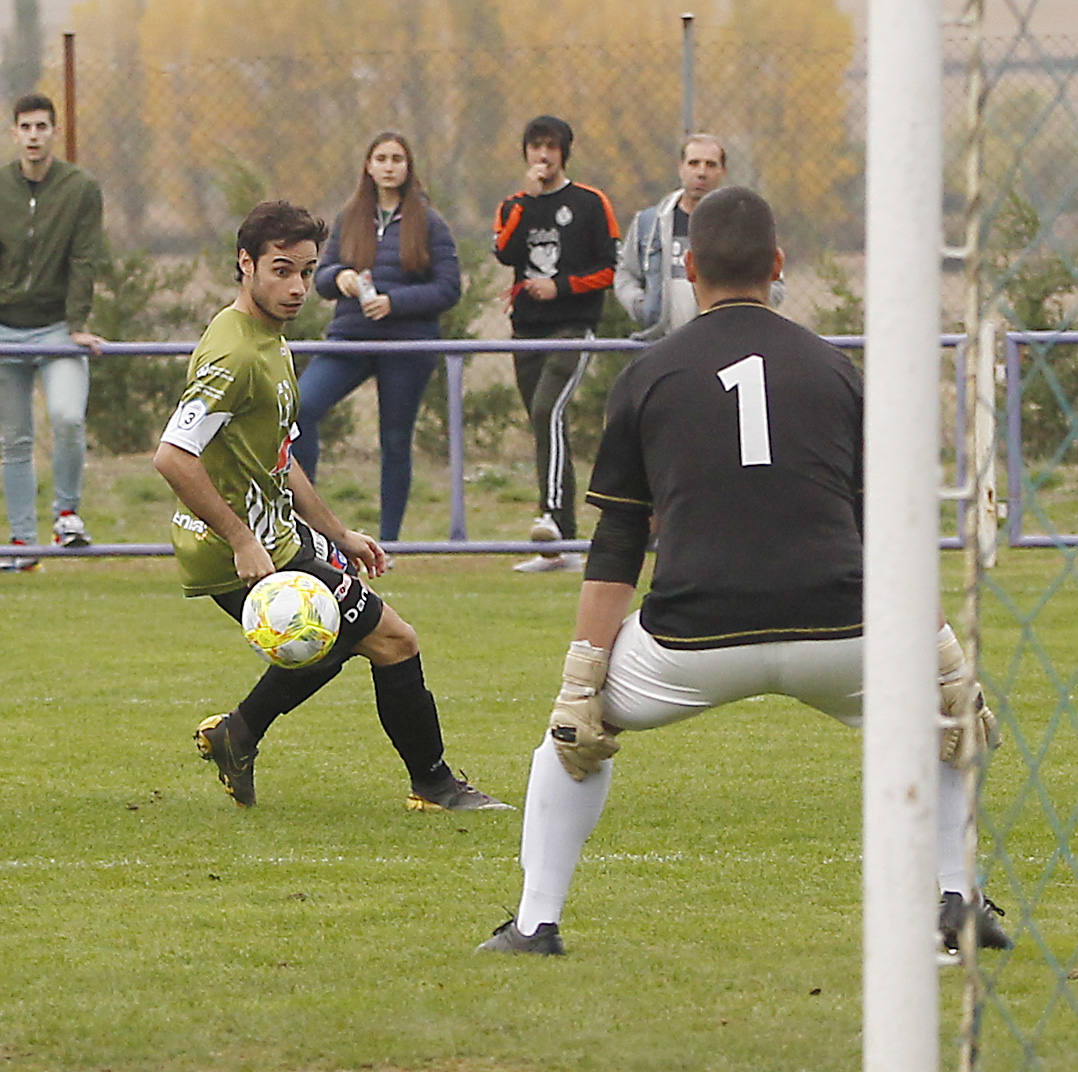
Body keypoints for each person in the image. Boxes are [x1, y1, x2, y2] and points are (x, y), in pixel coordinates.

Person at [478, 187, 1010, 955]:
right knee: (945, 723)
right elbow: (891, 527)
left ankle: (535, 924)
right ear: (779, 266)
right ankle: (955, 906)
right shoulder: (838, 371)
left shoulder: (647, 377)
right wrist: (939, 650)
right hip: (843, 630)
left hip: (691, 639)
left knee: (570, 739)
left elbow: (618, 541)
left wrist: (582, 678)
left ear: (688, 268)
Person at [153, 200, 508, 813]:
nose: (296, 287)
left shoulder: (270, 340)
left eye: (305, 272)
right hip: (237, 548)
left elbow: (277, 458)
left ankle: (237, 734)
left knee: (331, 643)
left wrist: (338, 533)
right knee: (393, 641)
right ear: (246, 264)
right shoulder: (234, 355)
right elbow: (173, 456)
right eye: (281, 270)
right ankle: (435, 785)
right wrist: (241, 539)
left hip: (278, 533)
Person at [294, 131, 461, 545]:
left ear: (408, 167)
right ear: (368, 166)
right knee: (300, 410)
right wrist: (341, 278)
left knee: (395, 440)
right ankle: (305, 526)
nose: (389, 166)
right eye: (381, 158)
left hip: (407, 345)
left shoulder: (429, 222)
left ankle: (388, 543)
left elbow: (448, 288)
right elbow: (322, 275)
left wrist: (395, 302)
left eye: (397, 159)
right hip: (349, 339)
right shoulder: (350, 216)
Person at [493, 115, 620, 573]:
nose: (542, 156)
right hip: (526, 331)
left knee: (550, 410)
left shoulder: (589, 203)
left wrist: (562, 287)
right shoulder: (514, 205)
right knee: (545, 423)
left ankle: (549, 516)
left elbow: (610, 267)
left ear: (564, 153)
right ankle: (558, 544)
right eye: (535, 147)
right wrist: (526, 202)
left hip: (573, 327)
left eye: (550, 147)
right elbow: (504, 252)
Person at [0, 92, 105, 571]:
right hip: (5, 329)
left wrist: (79, 324)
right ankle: (22, 544)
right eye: (26, 127)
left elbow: (85, 258)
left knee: (67, 416)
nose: (34, 136)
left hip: (58, 328)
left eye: (42, 126)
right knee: (14, 439)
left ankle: (67, 515)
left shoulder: (80, 188)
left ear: (54, 131)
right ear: (14, 132)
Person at [614, 132, 784, 342]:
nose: (701, 173)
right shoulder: (649, 223)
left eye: (710, 165)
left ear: (723, 171)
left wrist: (743, 311)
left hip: (727, 341)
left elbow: (775, 283)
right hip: (663, 343)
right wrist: (643, 306)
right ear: (681, 168)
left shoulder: (744, 222)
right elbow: (625, 274)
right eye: (694, 163)